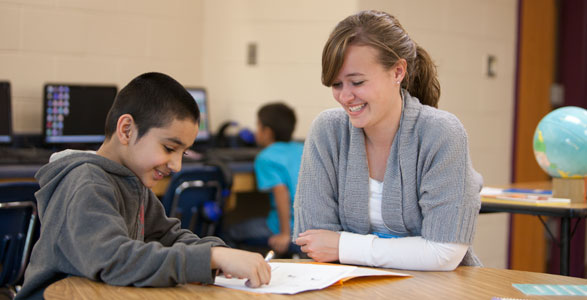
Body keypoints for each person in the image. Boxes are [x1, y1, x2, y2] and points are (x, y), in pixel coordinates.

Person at [16, 72, 270, 300]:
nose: (177, 165)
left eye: (184, 153)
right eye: (169, 148)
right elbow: (113, 260)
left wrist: (219, 252)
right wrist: (211, 258)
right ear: (126, 130)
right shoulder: (85, 181)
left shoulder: (132, 182)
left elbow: (168, 237)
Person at [293, 10, 483, 271]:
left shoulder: (442, 133)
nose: (345, 97)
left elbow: (444, 251)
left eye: (357, 82)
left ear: (397, 72)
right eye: (336, 84)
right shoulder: (327, 131)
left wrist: (343, 246)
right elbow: (314, 242)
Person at [223, 103, 304, 256]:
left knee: (228, 233)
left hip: (288, 228)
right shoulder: (301, 148)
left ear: (267, 132)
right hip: (311, 226)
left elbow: (281, 192)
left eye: (258, 126)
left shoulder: (266, 157)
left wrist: (285, 235)